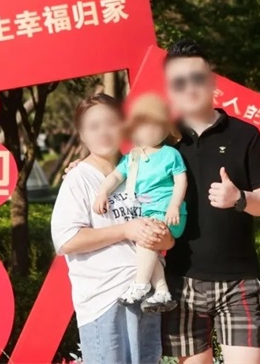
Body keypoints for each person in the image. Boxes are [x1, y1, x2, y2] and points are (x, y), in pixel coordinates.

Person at [161, 40, 260, 364]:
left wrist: (239, 198)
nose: (190, 88)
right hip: (182, 281)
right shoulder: (164, 141)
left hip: (239, 282)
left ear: (212, 80)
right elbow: (123, 176)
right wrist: (82, 169)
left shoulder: (246, 135)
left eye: (197, 78)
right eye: (179, 82)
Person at [50, 93, 173, 364]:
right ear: (82, 135)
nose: (103, 132)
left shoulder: (143, 170)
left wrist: (164, 237)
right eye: (94, 126)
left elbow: (166, 235)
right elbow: (66, 240)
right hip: (104, 299)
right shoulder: (79, 178)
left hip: (146, 295)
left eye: (110, 123)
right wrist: (126, 230)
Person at [93, 93, 187, 311]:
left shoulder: (170, 154)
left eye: (157, 125)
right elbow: (116, 176)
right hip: (147, 213)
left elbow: (181, 180)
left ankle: (141, 284)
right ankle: (162, 291)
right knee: (146, 245)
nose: (150, 131)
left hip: (168, 212)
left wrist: (174, 205)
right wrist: (102, 193)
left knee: (145, 240)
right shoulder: (132, 157)